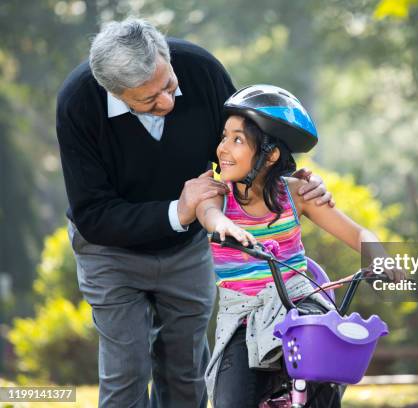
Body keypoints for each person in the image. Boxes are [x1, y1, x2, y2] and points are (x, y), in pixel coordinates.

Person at [56, 19, 333, 408]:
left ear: (167, 60)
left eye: (169, 86)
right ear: (114, 92)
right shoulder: (78, 103)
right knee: (125, 378)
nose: (167, 102)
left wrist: (292, 182)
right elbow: (92, 214)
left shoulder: (200, 69)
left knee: (186, 376)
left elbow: (251, 148)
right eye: (148, 100)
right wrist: (178, 210)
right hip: (109, 252)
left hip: (188, 249)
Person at [196, 85, 399, 407]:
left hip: (299, 309)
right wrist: (223, 225)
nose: (223, 148)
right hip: (243, 319)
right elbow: (208, 215)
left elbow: (360, 234)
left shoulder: (297, 194)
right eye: (224, 136)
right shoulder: (217, 194)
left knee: (326, 384)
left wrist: (380, 257)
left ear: (270, 154)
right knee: (230, 399)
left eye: (237, 139)